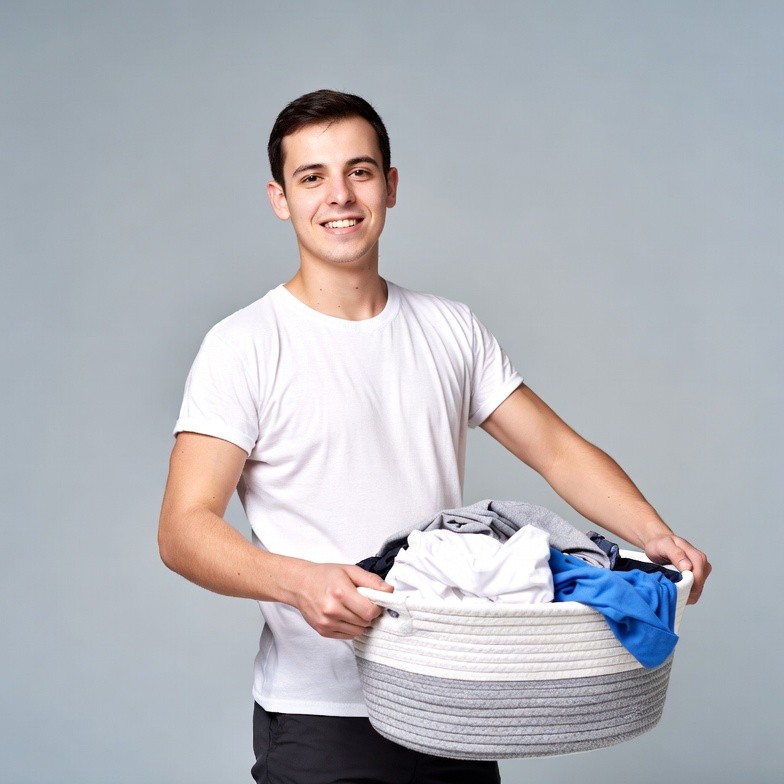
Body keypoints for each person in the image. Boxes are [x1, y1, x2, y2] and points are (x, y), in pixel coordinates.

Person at [158, 89, 711, 784]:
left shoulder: (452, 329)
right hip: (319, 716)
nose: (340, 196)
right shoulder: (243, 345)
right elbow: (183, 528)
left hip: (453, 702)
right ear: (280, 198)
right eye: (312, 177)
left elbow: (557, 451)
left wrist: (652, 534)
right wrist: (300, 583)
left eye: (360, 171)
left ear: (390, 187)